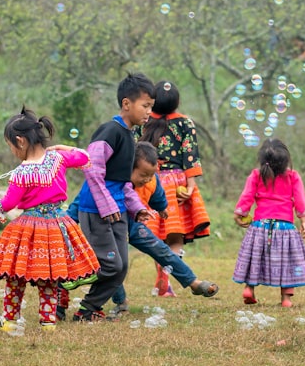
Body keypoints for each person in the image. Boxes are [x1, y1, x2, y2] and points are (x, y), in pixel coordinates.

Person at [0, 108, 99, 330]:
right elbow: (84, 157)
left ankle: (9, 320)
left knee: (15, 275)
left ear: (20, 141)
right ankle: (48, 322)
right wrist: (62, 147)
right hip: (57, 224)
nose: (12, 151)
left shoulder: (21, 173)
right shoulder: (58, 158)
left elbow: (8, 204)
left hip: (29, 228)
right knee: (49, 276)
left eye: (10, 145)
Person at [70, 141, 220, 317]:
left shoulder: (151, 179)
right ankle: (120, 301)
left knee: (160, 249)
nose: (148, 179)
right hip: (108, 224)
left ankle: (193, 282)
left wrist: (162, 208)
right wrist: (68, 221)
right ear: (127, 167)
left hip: (133, 225)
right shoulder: (109, 179)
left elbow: (158, 195)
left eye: (151, 174)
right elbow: (82, 200)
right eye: (143, 175)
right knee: (114, 263)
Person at [66, 73, 156, 322]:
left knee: (121, 268)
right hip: (96, 210)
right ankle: (64, 283)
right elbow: (92, 170)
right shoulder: (110, 132)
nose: (149, 112)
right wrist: (106, 206)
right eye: (145, 106)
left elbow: (124, 182)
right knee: (110, 265)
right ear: (127, 103)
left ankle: (87, 310)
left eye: (151, 107)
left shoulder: (130, 136)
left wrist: (137, 208)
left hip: (117, 211)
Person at [139, 81, 211, 296]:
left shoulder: (143, 121)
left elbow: (136, 152)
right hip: (177, 182)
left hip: (151, 181)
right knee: (175, 235)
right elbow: (191, 155)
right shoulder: (185, 122)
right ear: (176, 102)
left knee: (156, 236)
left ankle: (162, 278)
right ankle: (167, 276)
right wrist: (191, 185)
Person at [232, 138, 305, 307]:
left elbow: (247, 196)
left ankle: (249, 289)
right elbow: (300, 200)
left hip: (260, 225)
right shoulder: (293, 176)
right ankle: (286, 299)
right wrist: (304, 222)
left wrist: (239, 214)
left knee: (255, 258)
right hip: (285, 227)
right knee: (287, 261)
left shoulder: (256, 175)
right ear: (285, 160)